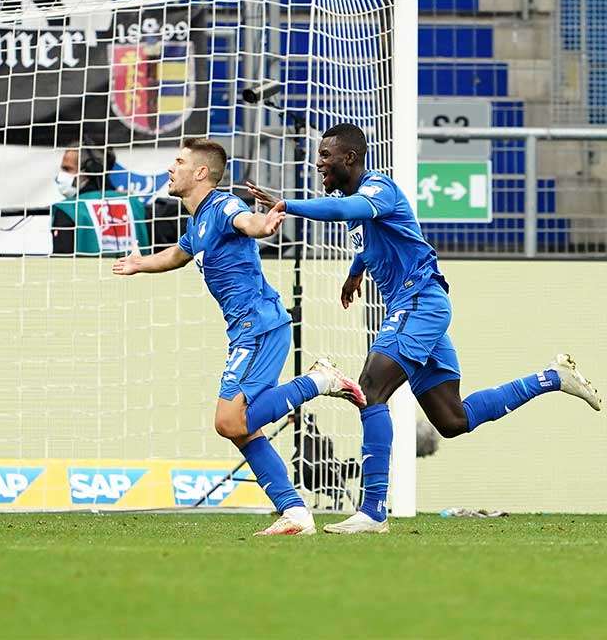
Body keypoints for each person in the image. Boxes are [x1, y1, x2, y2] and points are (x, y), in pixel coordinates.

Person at [248, 123, 602, 534]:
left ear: (350, 158)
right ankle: (553, 377)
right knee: (453, 420)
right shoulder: (355, 201)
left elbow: (351, 212)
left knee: (369, 388)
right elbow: (368, 238)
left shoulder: (379, 188)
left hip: (420, 300)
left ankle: (374, 511)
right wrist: (354, 273)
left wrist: (286, 205)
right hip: (417, 307)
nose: (318, 163)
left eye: (326, 156)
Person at [113, 137, 365, 536]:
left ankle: (320, 380)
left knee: (229, 421)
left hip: (259, 327)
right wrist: (140, 263)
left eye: (178, 162)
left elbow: (246, 222)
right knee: (242, 427)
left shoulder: (223, 204)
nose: (170, 168)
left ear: (200, 173)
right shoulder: (196, 222)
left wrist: (263, 224)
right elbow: (177, 255)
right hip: (250, 330)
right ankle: (295, 513)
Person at [51, 143, 150, 255]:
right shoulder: (136, 204)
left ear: (90, 170)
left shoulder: (68, 209)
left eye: (67, 169)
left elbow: (62, 263)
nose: (61, 175)